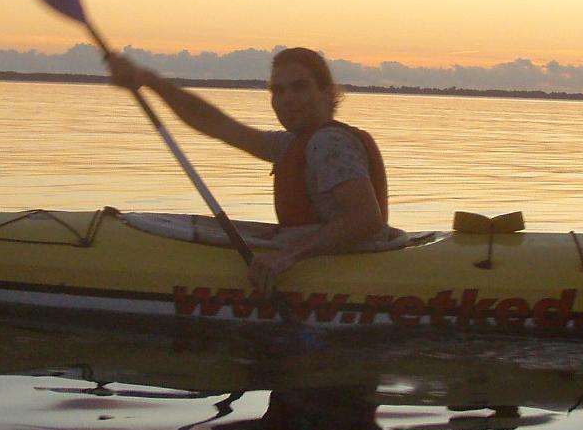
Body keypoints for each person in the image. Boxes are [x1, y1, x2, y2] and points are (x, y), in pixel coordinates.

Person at [107, 47, 391, 292]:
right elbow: (217, 125)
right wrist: (148, 81)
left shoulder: (329, 143)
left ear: (327, 92)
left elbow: (365, 219)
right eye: (278, 90)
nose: (287, 99)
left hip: (342, 271)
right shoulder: (294, 143)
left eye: (299, 87)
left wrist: (287, 256)